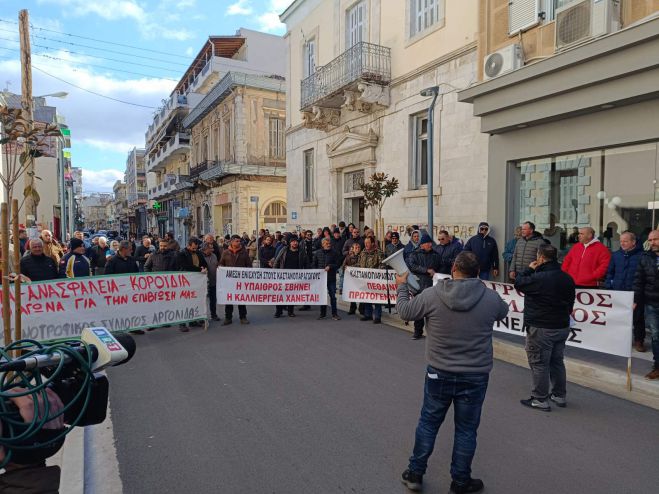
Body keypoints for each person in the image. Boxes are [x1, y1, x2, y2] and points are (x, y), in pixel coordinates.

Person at [396, 252, 509, 493]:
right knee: (466, 430)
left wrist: (401, 286)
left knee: (428, 423)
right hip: (475, 375)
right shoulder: (490, 298)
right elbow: (504, 311)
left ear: (454, 268)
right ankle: (460, 481)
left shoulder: (432, 295)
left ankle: (415, 473)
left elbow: (405, 312)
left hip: (439, 371)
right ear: (478, 272)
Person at [514, 244, 576, 411]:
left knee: (539, 363)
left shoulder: (539, 278)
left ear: (540, 257)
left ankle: (540, 398)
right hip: (561, 325)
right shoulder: (567, 278)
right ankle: (559, 395)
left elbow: (519, 283)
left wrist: (528, 269)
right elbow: (571, 304)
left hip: (541, 327)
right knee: (557, 361)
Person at [605, 231, 645, 352]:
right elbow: (610, 272)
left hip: (635, 293)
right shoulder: (616, 255)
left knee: (638, 318)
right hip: (618, 292)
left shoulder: (642, 255)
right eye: (621, 241)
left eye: (625, 241)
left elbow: (645, 276)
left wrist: (639, 295)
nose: (622, 243)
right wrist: (609, 286)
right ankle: (619, 339)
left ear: (633, 242)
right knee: (618, 317)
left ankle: (639, 341)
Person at [632, 229, 659, 380]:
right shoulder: (645, 257)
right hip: (652, 304)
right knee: (656, 336)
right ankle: (657, 366)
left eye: (655, 239)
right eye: (650, 240)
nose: (652, 243)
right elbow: (638, 281)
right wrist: (636, 300)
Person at [406, 233, 442, 340]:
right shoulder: (414, 254)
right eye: (427, 243)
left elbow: (440, 266)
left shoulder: (436, 255)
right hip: (419, 286)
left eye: (430, 242)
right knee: (419, 311)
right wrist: (426, 270)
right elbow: (412, 266)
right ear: (422, 245)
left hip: (432, 286)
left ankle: (432, 334)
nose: (430, 245)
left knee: (432, 311)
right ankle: (418, 332)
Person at [176, 237, 208, 332]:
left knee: (194, 301)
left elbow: (204, 263)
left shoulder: (198, 253)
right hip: (185, 281)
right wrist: (199, 270)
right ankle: (182, 323)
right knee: (183, 303)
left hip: (196, 281)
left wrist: (204, 268)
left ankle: (193, 321)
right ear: (188, 245)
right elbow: (185, 266)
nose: (195, 250)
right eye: (193, 248)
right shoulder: (182, 254)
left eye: (196, 248)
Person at [272, 235, 309, 318]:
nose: (295, 243)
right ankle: (278, 311)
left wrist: (308, 272)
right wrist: (274, 272)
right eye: (293, 241)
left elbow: (306, 263)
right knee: (280, 294)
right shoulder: (284, 250)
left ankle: (290, 311)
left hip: (295, 277)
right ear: (290, 243)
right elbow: (277, 261)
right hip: (283, 276)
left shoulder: (301, 252)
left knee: (292, 295)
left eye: (296, 241)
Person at [219, 234, 251, 325]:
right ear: (231, 242)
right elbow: (221, 263)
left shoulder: (244, 252)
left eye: (239, 241)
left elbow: (249, 265)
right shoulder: (225, 252)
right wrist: (221, 269)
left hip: (241, 281)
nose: (239, 242)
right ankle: (228, 318)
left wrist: (247, 272)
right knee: (229, 299)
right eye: (236, 241)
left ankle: (243, 317)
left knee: (241, 299)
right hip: (229, 281)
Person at [312, 238, 340, 320]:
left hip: (331, 278)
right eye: (326, 243)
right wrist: (317, 271)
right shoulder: (317, 253)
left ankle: (334, 314)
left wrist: (330, 266)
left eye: (329, 243)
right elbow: (314, 264)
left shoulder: (334, 253)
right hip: (321, 279)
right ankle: (322, 314)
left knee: (333, 297)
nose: (328, 244)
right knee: (322, 296)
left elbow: (338, 264)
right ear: (322, 244)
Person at [358, 236, 384, 324]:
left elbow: (382, 265)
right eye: (365, 243)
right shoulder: (363, 252)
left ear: (372, 243)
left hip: (375, 280)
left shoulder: (378, 252)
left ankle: (377, 316)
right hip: (364, 279)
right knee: (367, 297)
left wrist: (375, 272)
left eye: (368, 242)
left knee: (376, 298)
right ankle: (368, 314)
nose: (366, 244)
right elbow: (359, 264)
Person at [343, 241, 363, 316]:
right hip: (352, 279)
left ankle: (361, 309)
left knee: (361, 294)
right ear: (353, 249)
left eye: (358, 248)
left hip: (360, 279)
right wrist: (345, 268)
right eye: (356, 248)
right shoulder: (348, 257)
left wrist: (352, 267)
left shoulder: (362, 256)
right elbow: (343, 266)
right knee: (353, 294)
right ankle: (352, 308)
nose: (357, 249)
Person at [201, 241, 220, 321]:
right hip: (203, 283)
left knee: (213, 299)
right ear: (205, 249)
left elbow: (217, 265)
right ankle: (201, 317)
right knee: (202, 301)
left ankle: (213, 314)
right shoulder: (200, 256)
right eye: (210, 248)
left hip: (213, 281)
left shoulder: (214, 256)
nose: (212, 249)